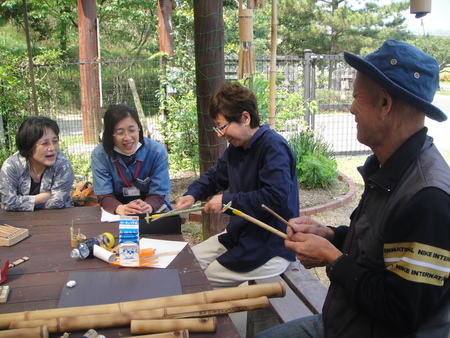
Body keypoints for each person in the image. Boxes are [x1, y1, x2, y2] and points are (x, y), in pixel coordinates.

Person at [256, 40, 450, 337]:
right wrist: (330, 235)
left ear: (385, 104)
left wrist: (332, 258)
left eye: (357, 97)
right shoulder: (391, 168)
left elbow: (404, 311)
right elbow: (380, 250)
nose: (350, 108)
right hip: (345, 323)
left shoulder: (427, 198)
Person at [176, 82, 299, 289]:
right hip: (240, 236)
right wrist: (193, 194)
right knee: (186, 263)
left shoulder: (273, 146)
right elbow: (216, 176)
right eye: (217, 127)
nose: (219, 134)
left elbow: (275, 197)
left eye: (222, 126)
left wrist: (227, 201)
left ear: (245, 118)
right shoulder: (237, 147)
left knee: (200, 279)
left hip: (269, 244)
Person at [91, 104, 171, 216]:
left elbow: (159, 192)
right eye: (120, 133)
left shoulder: (157, 152)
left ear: (139, 128)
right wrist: (121, 209)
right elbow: (104, 195)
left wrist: (148, 206)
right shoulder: (100, 155)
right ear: (110, 135)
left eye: (132, 130)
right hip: (117, 207)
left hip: (149, 205)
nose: (127, 138)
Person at [0, 116, 74, 211]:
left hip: (57, 218)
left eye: (55, 141)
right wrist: (43, 197)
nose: (52, 148)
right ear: (29, 145)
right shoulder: (11, 166)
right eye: (44, 143)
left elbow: (57, 202)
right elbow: (9, 202)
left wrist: (21, 203)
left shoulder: (63, 164)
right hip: (19, 221)